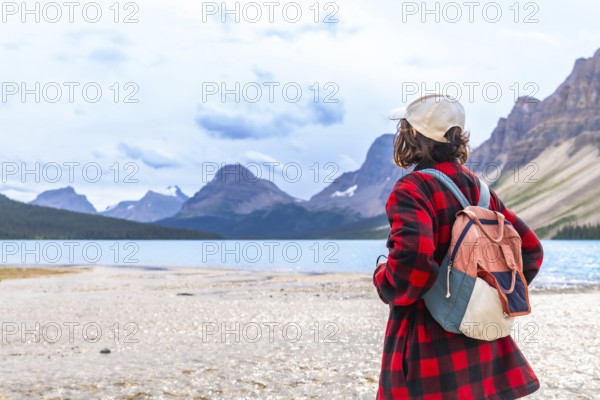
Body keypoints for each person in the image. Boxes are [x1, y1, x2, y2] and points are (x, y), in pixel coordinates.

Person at [373, 94, 544, 399]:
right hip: (480, 337)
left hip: (426, 341)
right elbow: (530, 251)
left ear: (412, 136)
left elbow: (413, 261)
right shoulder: (482, 192)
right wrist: (490, 293)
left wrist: (383, 277)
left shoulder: (412, 188)